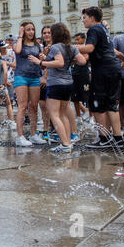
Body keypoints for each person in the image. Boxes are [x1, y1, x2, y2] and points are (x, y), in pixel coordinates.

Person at [29, 23, 87, 153]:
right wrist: (70, 61)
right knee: (62, 114)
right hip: (68, 83)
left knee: (54, 115)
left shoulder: (55, 47)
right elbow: (82, 61)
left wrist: (41, 62)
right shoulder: (71, 47)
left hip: (56, 84)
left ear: (55, 34)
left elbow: (59, 62)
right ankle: (67, 142)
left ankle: (65, 144)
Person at [77, 7, 124, 148]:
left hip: (102, 70)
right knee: (111, 104)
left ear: (92, 18)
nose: (83, 20)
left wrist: (70, 47)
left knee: (97, 105)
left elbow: (90, 48)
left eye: (85, 17)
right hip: (113, 68)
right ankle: (118, 139)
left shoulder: (94, 29)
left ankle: (104, 139)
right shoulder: (104, 29)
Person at [13, 22, 46, 146]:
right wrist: (20, 35)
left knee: (34, 106)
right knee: (22, 106)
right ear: (23, 31)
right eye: (28, 29)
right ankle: (20, 136)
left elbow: (41, 65)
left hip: (34, 77)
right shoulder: (18, 43)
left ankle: (33, 134)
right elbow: (18, 50)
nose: (31, 32)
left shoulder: (38, 45)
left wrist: (42, 58)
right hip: (21, 76)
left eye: (32, 29)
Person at [71, 33, 90, 120]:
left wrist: (77, 55)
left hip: (84, 74)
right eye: (76, 40)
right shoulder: (75, 48)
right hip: (75, 74)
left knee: (87, 96)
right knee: (75, 97)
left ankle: (91, 115)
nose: (77, 41)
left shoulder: (86, 47)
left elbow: (85, 58)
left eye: (78, 39)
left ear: (84, 39)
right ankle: (78, 116)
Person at [38, 26, 52, 141]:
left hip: (52, 80)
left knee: (53, 108)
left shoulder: (56, 46)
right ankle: (46, 129)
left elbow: (51, 63)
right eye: (44, 33)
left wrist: (46, 77)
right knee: (43, 107)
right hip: (42, 80)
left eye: (49, 32)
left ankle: (54, 129)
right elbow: (42, 65)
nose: (46, 35)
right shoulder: (42, 47)